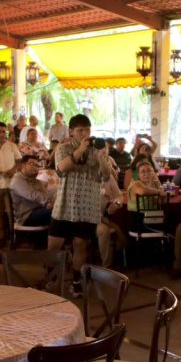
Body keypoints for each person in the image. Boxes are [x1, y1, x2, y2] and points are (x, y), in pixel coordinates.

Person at [49, 114, 116, 294]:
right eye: (80, 130)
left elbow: (106, 175)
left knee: (80, 245)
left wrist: (102, 159)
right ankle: (51, 277)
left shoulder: (99, 149)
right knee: (54, 245)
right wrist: (80, 149)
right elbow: (62, 168)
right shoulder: (63, 148)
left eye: (87, 130)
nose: (85, 134)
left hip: (87, 208)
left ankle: (77, 282)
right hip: (64, 205)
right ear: (71, 132)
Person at [10, 154, 55, 227]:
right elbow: (33, 195)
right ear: (23, 165)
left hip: (40, 210)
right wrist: (49, 203)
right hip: (26, 216)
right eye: (31, 164)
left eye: (37, 165)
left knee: (60, 214)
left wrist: (49, 203)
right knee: (56, 213)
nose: (35, 167)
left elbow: (45, 194)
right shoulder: (17, 180)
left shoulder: (37, 181)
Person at [97, 177, 126, 268]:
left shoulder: (108, 177)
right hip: (84, 218)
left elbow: (119, 196)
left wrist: (116, 204)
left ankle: (110, 265)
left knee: (119, 228)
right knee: (103, 230)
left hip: (102, 217)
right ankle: (107, 265)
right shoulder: (83, 173)